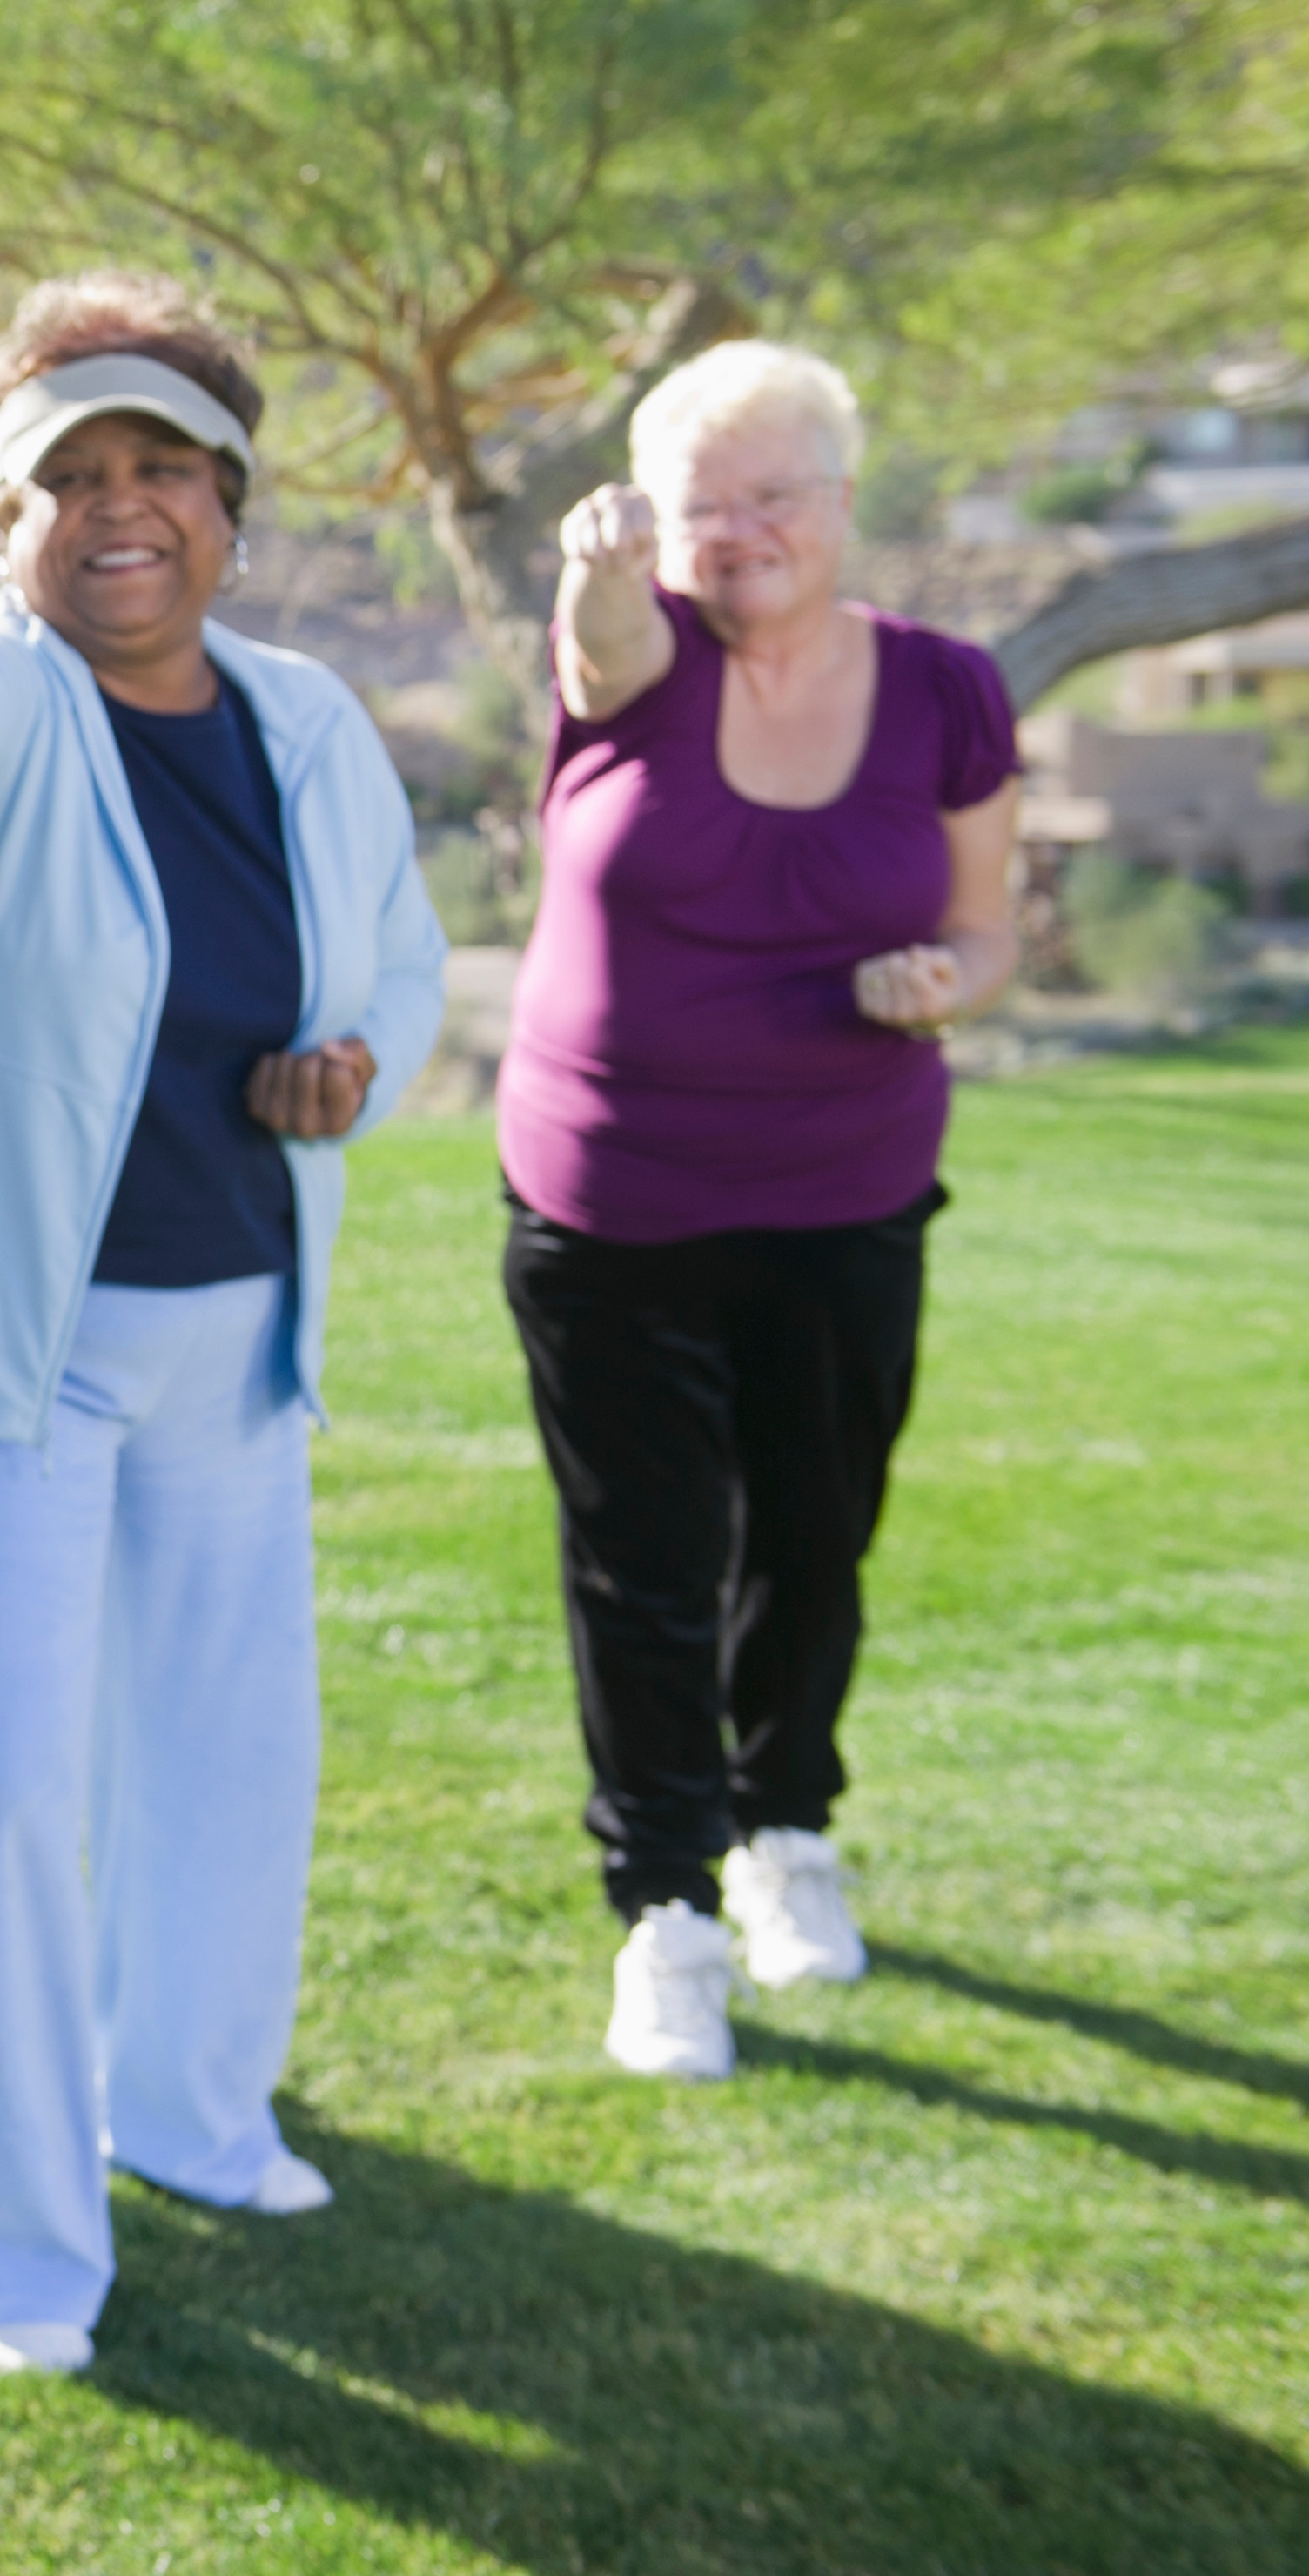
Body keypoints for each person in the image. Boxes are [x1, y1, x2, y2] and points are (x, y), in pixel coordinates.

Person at [0, 271, 447, 2378]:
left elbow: (389, 966)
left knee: (225, 1754)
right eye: (61, 475)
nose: (114, 509)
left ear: (227, 497)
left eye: (156, 466)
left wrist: (347, 1062)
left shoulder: (306, 721)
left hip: (230, 1328)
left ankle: (185, 2112)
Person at [500, 340, 1018, 2083]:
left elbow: (993, 923)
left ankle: (781, 1830)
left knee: (812, 1534)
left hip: (843, 1192)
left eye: (772, 493)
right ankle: (663, 1911)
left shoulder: (947, 694)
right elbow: (606, 634)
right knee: (643, 1565)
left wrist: (951, 980)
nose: (740, 532)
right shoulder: (632, 659)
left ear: (842, 498)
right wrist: (595, 564)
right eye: (701, 505)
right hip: (614, 1200)